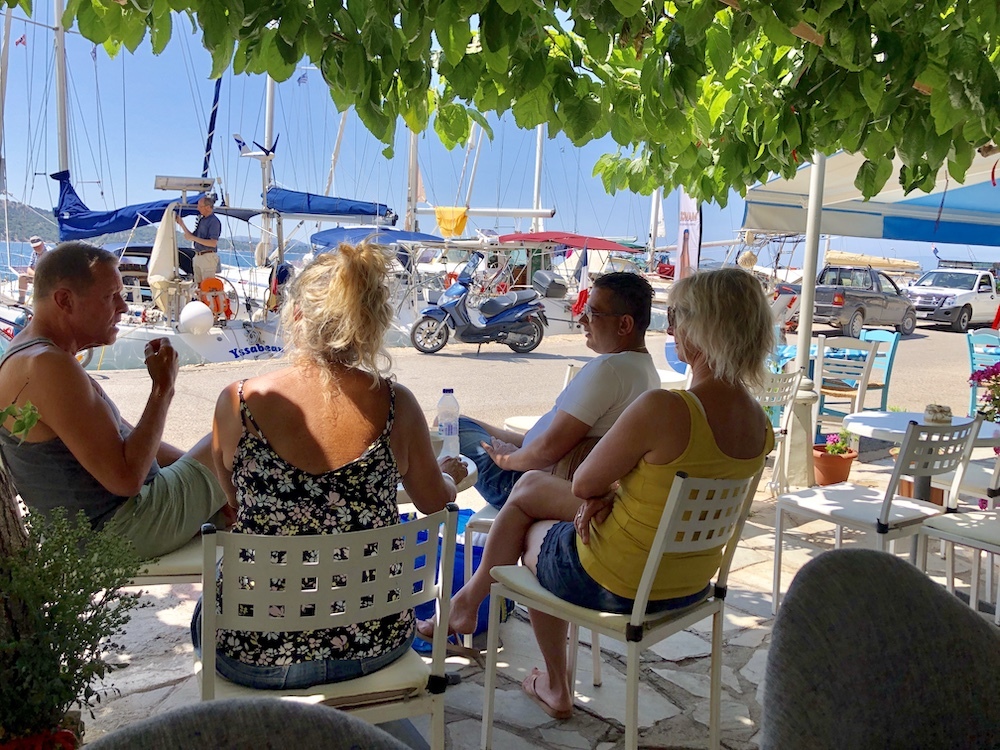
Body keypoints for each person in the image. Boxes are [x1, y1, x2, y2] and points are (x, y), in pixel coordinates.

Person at [427, 268, 775, 720]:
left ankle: (552, 680)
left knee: (533, 525)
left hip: (617, 583)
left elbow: (584, 483)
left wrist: (602, 492)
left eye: (676, 317)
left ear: (702, 328)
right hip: (688, 586)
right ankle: (469, 606)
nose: (670, 330)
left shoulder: (668, 408)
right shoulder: (760, 423)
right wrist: (612, 491)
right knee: (534, 494)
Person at [193, 243, 468, 690]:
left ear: (297, 314)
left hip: (255, 651)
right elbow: (435, 502)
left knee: (208, 608)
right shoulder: (397, 405)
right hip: (372, 643)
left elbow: (235, 502)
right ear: (372, 323)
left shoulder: (239, 402)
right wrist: (449, 479)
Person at [0, 242, 230, 560]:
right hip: (119, 531)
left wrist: (208, 479)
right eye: (111, 296)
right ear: (65, 300)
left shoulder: (31, 355)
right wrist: (162, 390)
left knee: (231, 461)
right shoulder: (47, 366)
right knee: (242, 415)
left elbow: (128, 438)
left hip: (113, 525)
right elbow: (126, 479)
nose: (123, 307)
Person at [458, 272, 661, 509]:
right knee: (464, 422)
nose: (582, 320)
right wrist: (511, 449)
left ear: (624, 324)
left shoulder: (609, 369)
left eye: (592, 313)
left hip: (524, 483)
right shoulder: (646, 371)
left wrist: (507, 460)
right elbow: (554, 441)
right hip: (536, 465)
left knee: (454, 427)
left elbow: (549, 449)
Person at [175, 195, 222, 287]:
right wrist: (182, 224)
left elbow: (213, 243)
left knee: (207, 286)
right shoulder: (202, 220)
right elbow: (192, 236)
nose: (198, 208)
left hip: (207, 256)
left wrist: (193, 238)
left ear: (207, 207)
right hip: (198, 256)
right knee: (198, 286)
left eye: (200, 206)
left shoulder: (214, 221)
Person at [17, 235, 47, 304]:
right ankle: (21, 300)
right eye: (34, 247)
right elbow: (29, 268)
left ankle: (38, 302)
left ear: (43, 243)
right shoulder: (34, 253)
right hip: (37, 276)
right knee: (22, 277)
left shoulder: (50, 253)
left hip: (48, 278)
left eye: (38, 246)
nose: (37, 248)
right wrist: (36, 275)